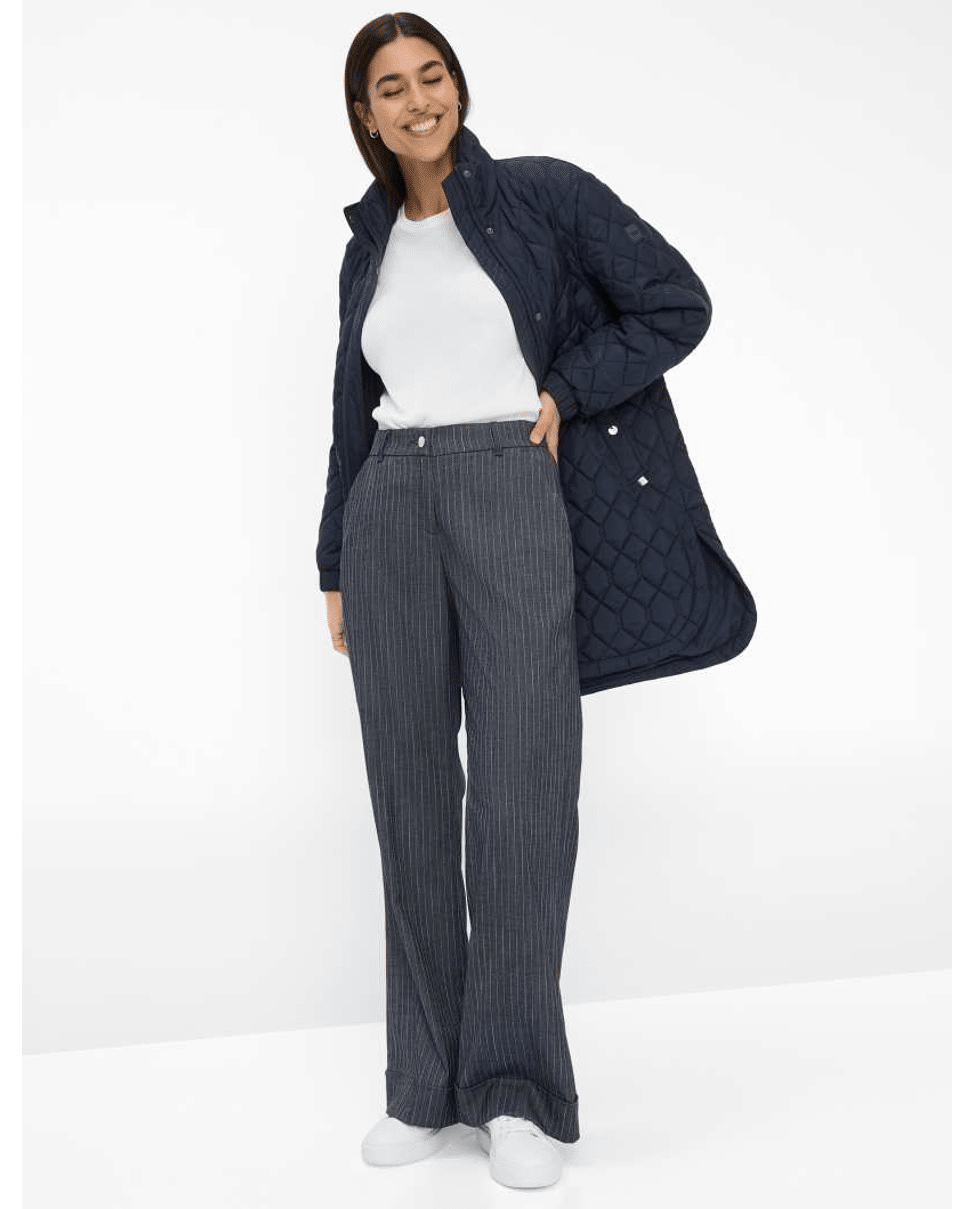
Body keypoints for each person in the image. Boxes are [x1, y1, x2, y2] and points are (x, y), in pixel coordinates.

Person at [318, 12, 726, 1191]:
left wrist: (564, 390)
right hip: (391, 502)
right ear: (365, 116)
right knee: (407, 795)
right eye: (391, 87)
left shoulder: (541, 195)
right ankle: (424, 1085)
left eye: (432, 75)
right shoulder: (367, 243)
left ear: (458, 85)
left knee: (525, 794)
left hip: (511, 481)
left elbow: (675, 302)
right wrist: (333, 559)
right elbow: (348, 412)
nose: (418, 101)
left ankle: (516, 1091)